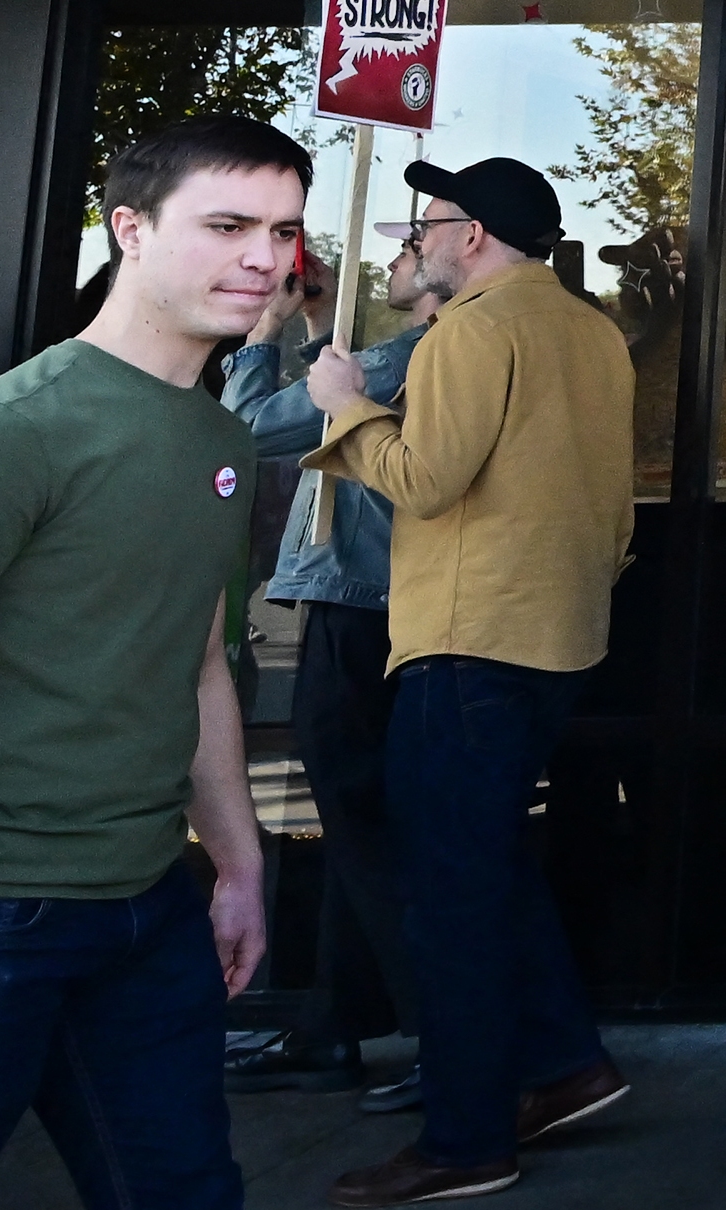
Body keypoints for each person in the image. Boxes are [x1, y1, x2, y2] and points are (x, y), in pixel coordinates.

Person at [305, 156, 638, 1208]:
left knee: (450, 895)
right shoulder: (590, 330)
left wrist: (344, 406)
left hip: (467, 642)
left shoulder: (472, 330)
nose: (420, 234)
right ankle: (565, 1065)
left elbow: (423, 479)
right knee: (487, 865)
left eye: (431, 219)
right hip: (558, 639)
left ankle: (463, 1136)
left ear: (476, 236)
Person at [0, 115, 298, 1210]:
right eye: (226, 225)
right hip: (7, 901)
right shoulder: (22, 426)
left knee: (181, 1191)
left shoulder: (221, 439)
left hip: (145, 904)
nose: (264, 257)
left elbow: (202, 659)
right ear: (129, 227)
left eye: (282, 230)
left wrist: (239, 861)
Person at [222, 213, 465, 1111]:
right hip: (374, 603)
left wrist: (264, 334)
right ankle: (332, 1024)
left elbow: (245, 429)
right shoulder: (409, 356)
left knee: (364, 827)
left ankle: (454, 1037)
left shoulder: (410, 358)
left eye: (409, 249)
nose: (397, 259)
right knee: (353, 821)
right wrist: (322, 332)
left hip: (359, 604)